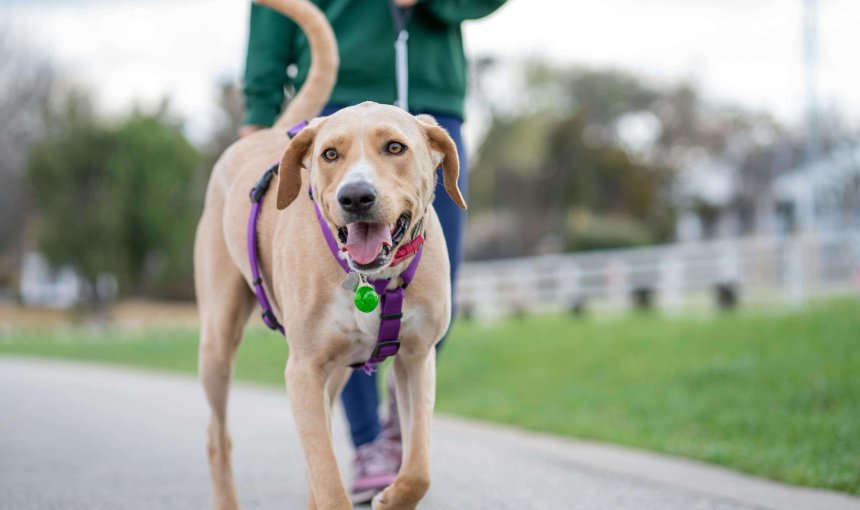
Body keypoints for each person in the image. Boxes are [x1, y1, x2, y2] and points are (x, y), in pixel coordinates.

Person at [240, 0, 505, 503]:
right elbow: (269, 14)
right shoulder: (326, 145)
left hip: (429, 97)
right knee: (341, 315)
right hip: (331, 107)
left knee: (428, 311)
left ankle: (399, 431)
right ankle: (368, 445)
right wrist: (258, 114)